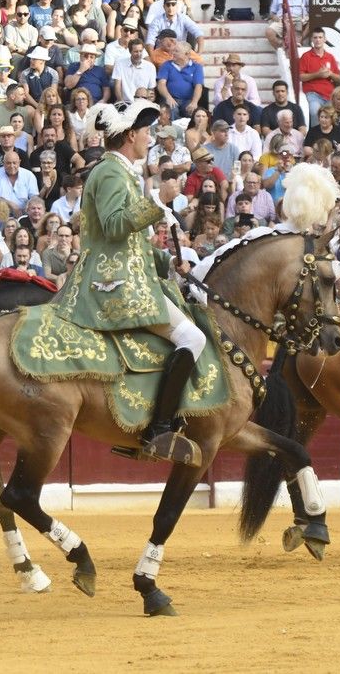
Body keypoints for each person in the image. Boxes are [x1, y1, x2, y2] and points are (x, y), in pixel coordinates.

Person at [52, 100, 203, 466]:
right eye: (147, 132)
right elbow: (116, 226)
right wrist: (158, 202)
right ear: (131, 135)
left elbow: (126, 243)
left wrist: (168, 262)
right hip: (114, 284)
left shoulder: (117, 172)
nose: (149, 138)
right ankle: (159, 429)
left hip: (122, 275)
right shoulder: (110, 173)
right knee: (192, 337)